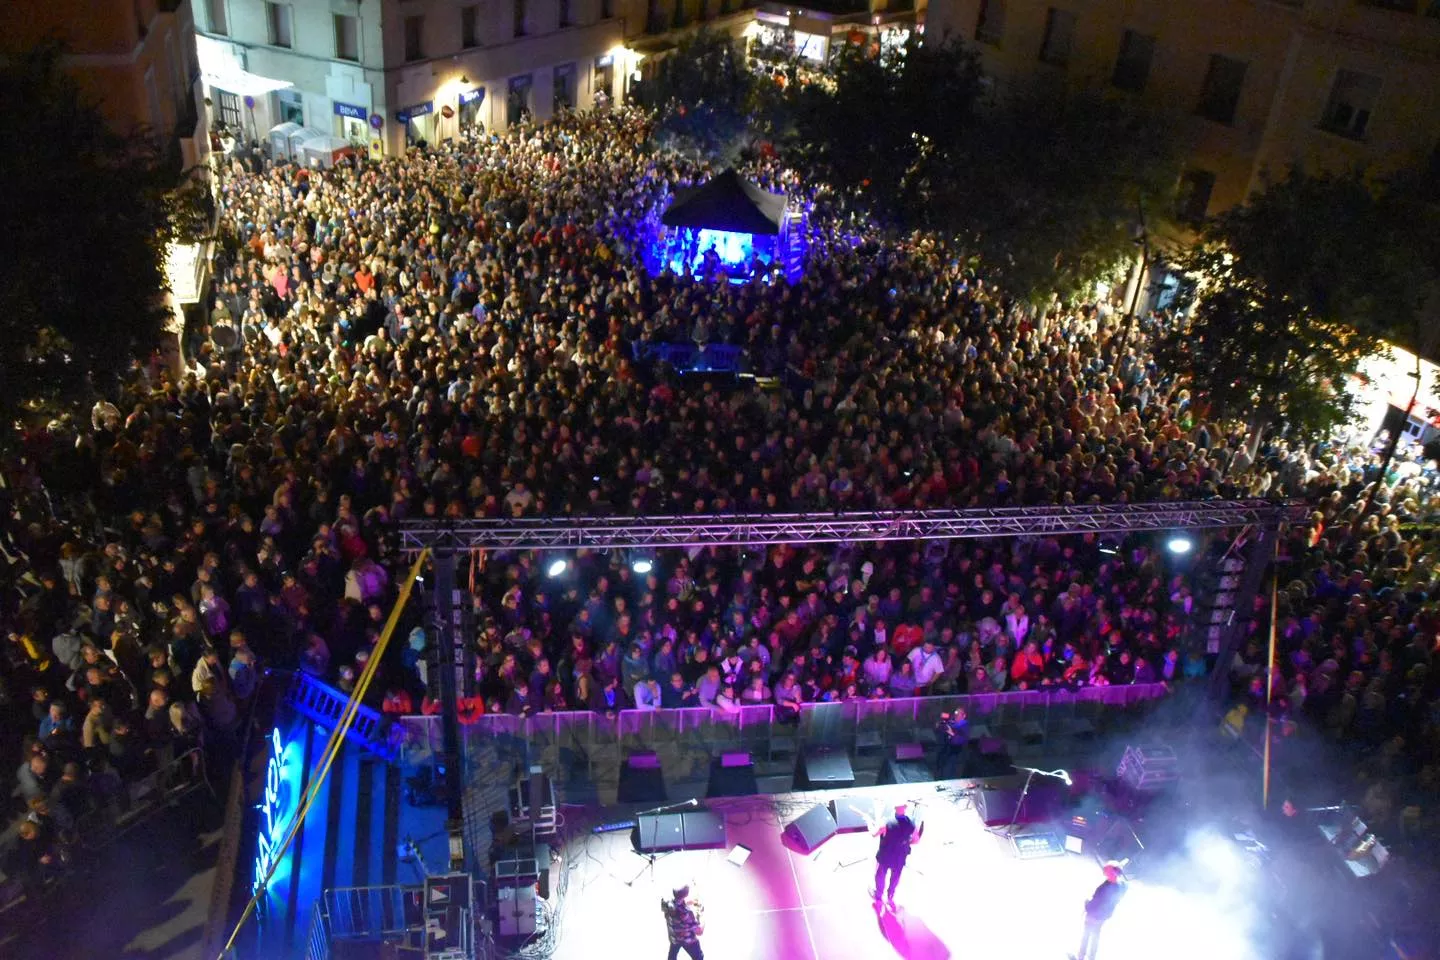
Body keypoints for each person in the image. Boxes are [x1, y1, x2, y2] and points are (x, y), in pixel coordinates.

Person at [870, 802, 920, 909]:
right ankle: (890, 896)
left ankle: (879, 895)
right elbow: (916, 840)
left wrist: (869, 824)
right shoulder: (912, 823)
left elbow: (874, 834)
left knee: (880, 876)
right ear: (906, 807)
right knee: (895, 878)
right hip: (900, 857)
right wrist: (905, 842)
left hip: (885, 856)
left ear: (894, 807)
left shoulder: (886, 822)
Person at [1076, 860, 1127, 960]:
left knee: (1086, 935)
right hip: (1104, 916)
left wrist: (1087, 903)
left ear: (1112, 873)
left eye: (1106, 871)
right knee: (1096, 936)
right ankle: (1092, 957)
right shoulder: (1123, 885)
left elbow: (1096, 903)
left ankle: (1080, 957)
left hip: (1094, 915)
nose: (1104, 873)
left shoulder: (1107, 889)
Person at [661, 884, 705, 960]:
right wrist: (701, 917)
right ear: (686, 894)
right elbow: (699, 932)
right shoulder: (687, 913)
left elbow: (676, 906)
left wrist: (688, 903)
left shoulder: (667, 905)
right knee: (699, 957)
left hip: (674, 938)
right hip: (688, 941)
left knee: (672, 957)